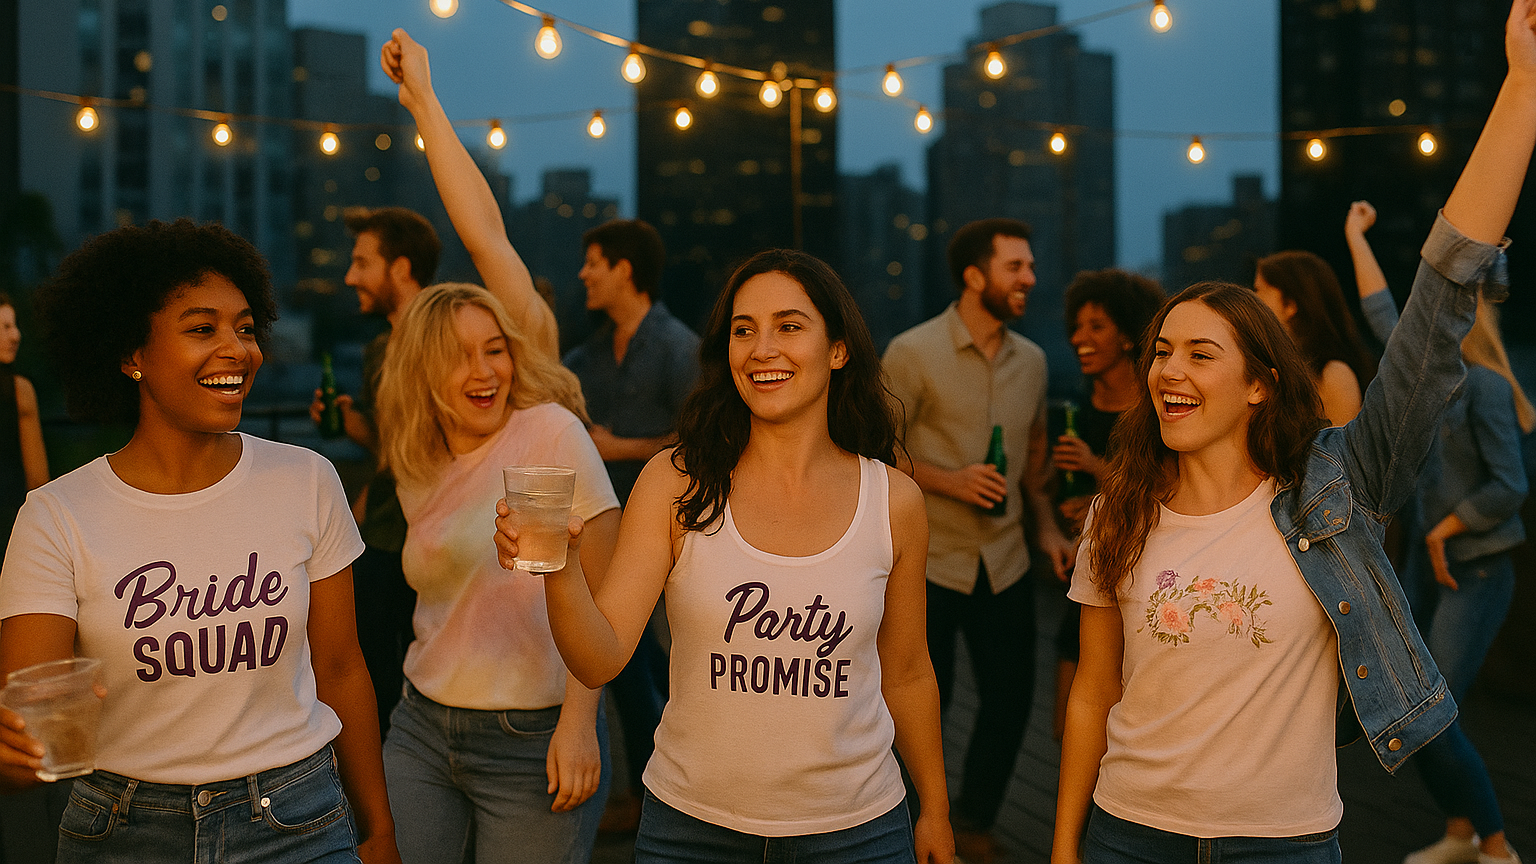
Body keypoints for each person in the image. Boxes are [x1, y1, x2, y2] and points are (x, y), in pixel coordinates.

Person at [1053, 4, 1536, 860]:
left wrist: (1524, 88)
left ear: (1259, 387)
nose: (1170, 371)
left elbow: (1437, 304)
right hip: (1130, 837)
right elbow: (1092, 691)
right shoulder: (1117, 512)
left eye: (1203, 354)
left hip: (1284, 843)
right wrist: (1062, 850)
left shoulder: (1338, 491)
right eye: (1163, 350)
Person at [501, 249, 954, 863]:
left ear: (838, 349)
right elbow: (600, 657)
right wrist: (557, 569)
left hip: (858, 832)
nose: (762, 348)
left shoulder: (893, 501)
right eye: (745, 330)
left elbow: (906, 671)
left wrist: (934, 812)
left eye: (789, 327)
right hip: (691, 831)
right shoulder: (678, 482)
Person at [0, 219, 399, 863]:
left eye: (245, 328)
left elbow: (342, 668)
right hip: (124, 829)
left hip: (297, 818)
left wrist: (378, 831)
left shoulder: (305, 481)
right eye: (201, 328)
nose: (238, 350)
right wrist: (15, 750)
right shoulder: (56, 516)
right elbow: (30, 710)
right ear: (133, 355)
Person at [371, 30, 619, 864]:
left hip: (535, 732)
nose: (484, 371)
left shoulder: (545, 422)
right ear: (422, 375)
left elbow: (487, 238)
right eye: (458, 357)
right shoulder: (413, 458)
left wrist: (425, 105)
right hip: (420, 724)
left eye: (496, 347)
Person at [883, 217, 1073, 863]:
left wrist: (1046, 528)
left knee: (1011, 698)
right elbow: (874, 451)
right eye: (1016, 267)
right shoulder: (911, 353)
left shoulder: (1038, 362)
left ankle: (977, 818)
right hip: (927, 561)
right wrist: (951, 480)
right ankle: (913, 824)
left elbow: (1034, 467)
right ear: (974, 276)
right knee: (921, 701)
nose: (1030, 279)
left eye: (1029, 266)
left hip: (1007, 563)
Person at [1346, 199, 1528, 864]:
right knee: (1409, 711)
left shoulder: (1485, 387)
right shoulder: (1427, 377)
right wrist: (1354, 235)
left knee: (1433, 712)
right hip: (1432, 567)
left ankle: (1499, 847)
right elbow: (1378, 315)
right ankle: (1459, 831)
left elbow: (1510, 485)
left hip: (1476, 567)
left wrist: (1442, 528)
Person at [563, 218, 698, 831]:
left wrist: (621, 448)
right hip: (596, 532)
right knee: (622, 664)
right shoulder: (586, 355)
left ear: (626, 269)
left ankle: (658, 790)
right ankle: (648, 786)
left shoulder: (678, 346)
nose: (584, 273)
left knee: (641, 664)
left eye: (594, 261)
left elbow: (700, 440)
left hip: (663, 533)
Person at [1049, 269, 1164, 739]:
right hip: (1084, 586)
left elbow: (1168, 489)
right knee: (1068, 730)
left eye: (1096, 326)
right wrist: (1054, 532)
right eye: (1076, 327)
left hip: (1146, 589)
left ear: (1128, 335)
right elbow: (1038, 487)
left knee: (1127, 733)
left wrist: (1097, 471)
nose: (1081, 338)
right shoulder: (1070, 408)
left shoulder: (1159, 411)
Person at [1252, 248, 1375, 426]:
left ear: (1290, 305)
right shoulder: (1270, 364)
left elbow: (1342, 451)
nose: (1252, 299)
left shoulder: (1334, 374)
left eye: (1258, 291)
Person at [0, 294, 49, 554]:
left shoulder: (19, 391)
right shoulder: (19, 391)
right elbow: (38, 483)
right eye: (6, 326)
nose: (16, 335)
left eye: (15, 325)